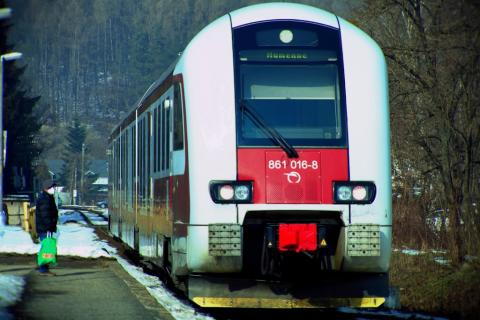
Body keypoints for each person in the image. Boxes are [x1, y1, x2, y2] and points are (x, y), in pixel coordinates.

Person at [35, 179, 58, 275]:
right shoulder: (45, 199)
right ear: (47, 188)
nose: (54, 189)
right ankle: (43, 269)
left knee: (46, 247)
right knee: (46, 247)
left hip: (45, 227)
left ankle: (43, 266)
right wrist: (49, 226)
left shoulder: (47, 197)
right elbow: (45, 214)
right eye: (52, 187)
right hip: (45, 228)